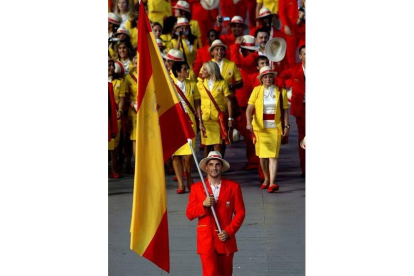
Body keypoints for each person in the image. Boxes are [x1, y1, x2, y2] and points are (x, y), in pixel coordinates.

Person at [186, 151, 245, 276]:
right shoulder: (196, 188)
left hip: (225, 239)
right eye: (211, 164)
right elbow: (189, 214)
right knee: (210, 273)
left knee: (226, 273)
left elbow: (240, 213)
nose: (214, 168)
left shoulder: (233, 187)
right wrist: (203, 205)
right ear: (206, 167)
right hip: (206, 240)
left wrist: (229, 231)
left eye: (217, 164)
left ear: (222, 167)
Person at [246, 66, 289, 193]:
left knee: (273, 156)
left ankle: (272, 182)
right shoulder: (256, 91)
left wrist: (286, 126)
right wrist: (249, 123)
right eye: (265, 77)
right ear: (261, 79)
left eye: (270, 76)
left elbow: (285, 110)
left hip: (275, 128)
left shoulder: (281, 91)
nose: (268, 79)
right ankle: (266, 177)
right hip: (260, 128)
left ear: (273, 78)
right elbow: (249, 109)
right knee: (262, 156)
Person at [171, 61, 201, 193]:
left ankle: (188, 177)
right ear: (177, 72)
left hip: (190, 121)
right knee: (176, 154)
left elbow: (197, 104)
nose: (187, 71)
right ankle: (180, 183)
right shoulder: (170, 85)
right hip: (175, 121)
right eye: (184, 69)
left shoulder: (193, 85)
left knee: (189, 153)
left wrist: (200, 120)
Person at [279, 45, 305, 177]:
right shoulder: (295, 69)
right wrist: (287, 88)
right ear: (300, 56)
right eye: (305, 54)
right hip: (302, 108)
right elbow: (280, 77)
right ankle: (305, 169)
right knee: (303, 137)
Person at [197, 61, 233, 157]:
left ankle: (218, 167)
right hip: (205, 119)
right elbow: (197, 102)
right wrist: (199, 120)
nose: (202, 71)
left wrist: (230, 118)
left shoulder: (222, 83)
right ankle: (207, 167)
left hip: (218, 119)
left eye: (205, 69)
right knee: (207, 146)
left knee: (218, 144)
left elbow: (229, 101)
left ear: (211, 71)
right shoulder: (200, 84)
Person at [108, 60, 126, 178]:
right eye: (107, 65)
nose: (110, 67)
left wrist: (119, 110)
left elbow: (121, 98)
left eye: (111, 65)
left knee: (114, 144)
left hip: (113, 115)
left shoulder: (119, 82)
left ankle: (114, 168)